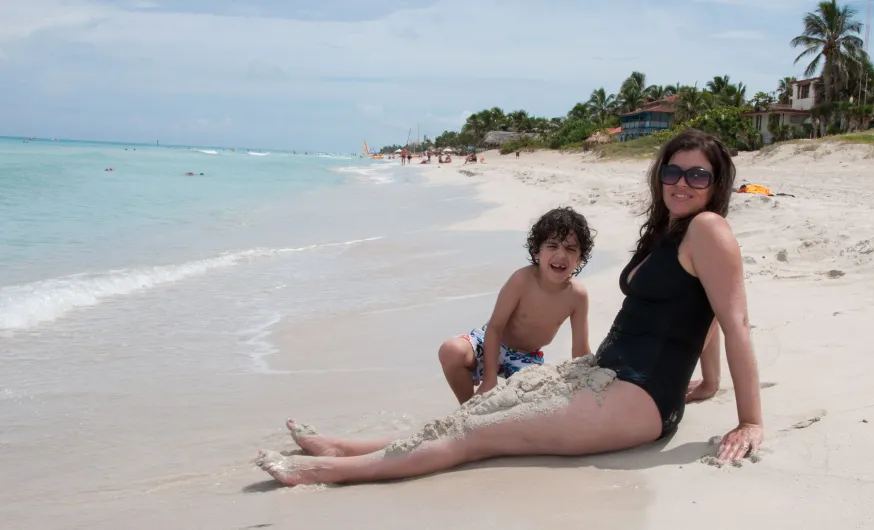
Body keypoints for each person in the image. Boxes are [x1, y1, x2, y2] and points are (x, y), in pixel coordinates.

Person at [255, 128, 763, 486]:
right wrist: (710, 382)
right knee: (475, 415)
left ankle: (327, 473)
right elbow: (706, 311)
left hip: (639, 398)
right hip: (605, 375)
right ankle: (343, 447)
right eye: (673, 171)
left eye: (698, 176)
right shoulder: (668, 232)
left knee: (478, 434)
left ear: (716, 185)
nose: (682, 182)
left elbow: (733, 319)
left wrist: (748, 420)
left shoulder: (708, 228)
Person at [437, 207, 594, 404]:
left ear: (579, 259)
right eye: (552, 246)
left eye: (570, 249)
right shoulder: (522, 280)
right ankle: (468, 408)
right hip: (491, 343)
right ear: (537, 253)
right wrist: (489, 379)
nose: (561, 255)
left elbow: (580, 349)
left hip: (527, 356)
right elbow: (495, 327)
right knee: (451, 350)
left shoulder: (577, 296)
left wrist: (592, 377)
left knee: (538, 400)